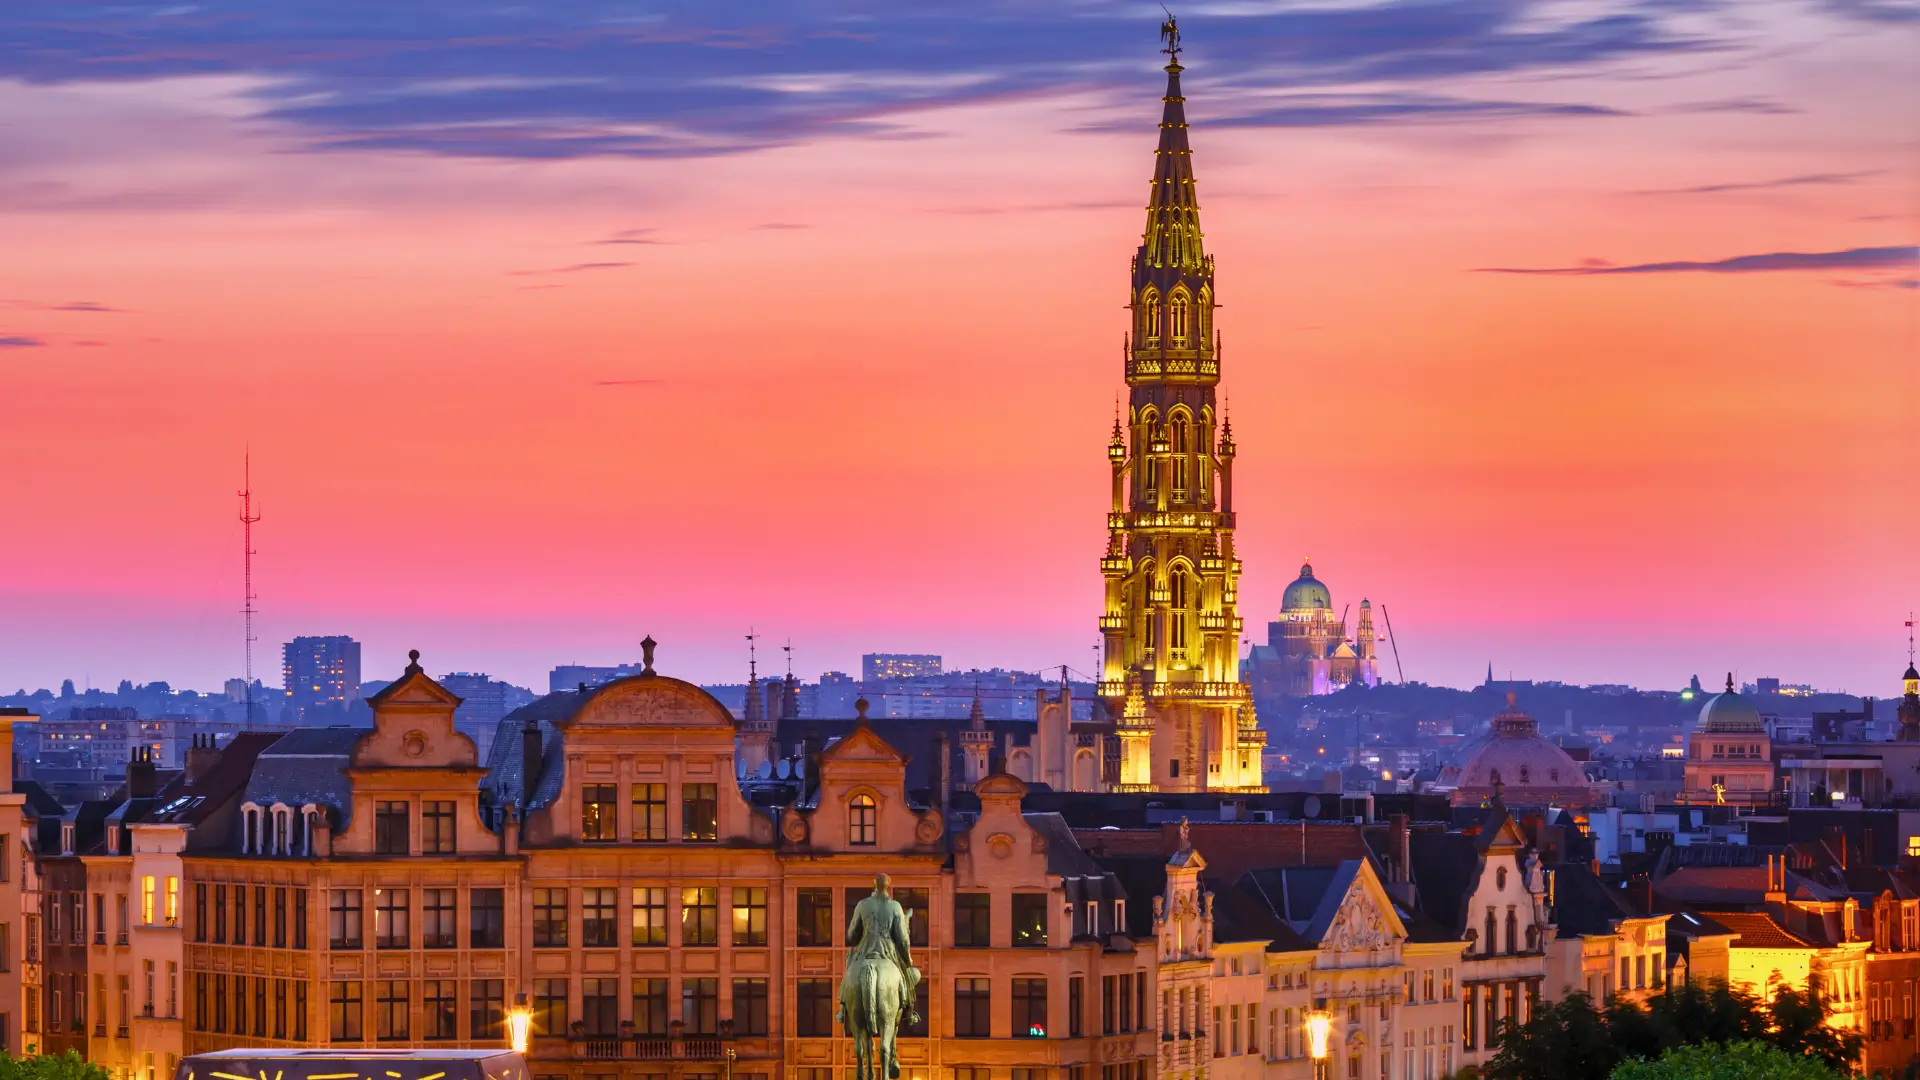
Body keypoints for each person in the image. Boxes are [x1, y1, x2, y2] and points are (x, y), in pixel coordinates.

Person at [838, 873, 922, 1027]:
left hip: (864, 950)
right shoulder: (895, 906)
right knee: (907, 977)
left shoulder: (862, 905)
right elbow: (903, 938)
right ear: (888, 887)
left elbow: (851, 935)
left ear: (874, 885)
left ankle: (842, 1010)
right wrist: (907, 958)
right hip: (888, 952)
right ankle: (909, 1011)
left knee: (849, 972)